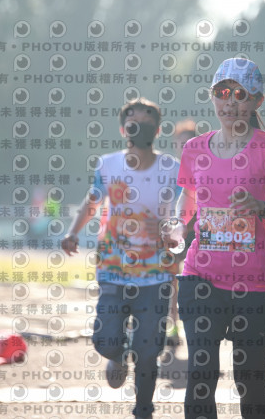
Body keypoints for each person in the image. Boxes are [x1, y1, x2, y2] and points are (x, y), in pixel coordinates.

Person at [163, 58, 265, 419]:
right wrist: (177, 229)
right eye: (222, 92)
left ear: (257, 101)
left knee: (249, 379)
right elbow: (188, 200)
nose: (230, 102)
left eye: (240, 95)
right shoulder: (195, 149)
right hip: (201, 278)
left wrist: (262, 207)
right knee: (201, 374)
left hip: (255, 285)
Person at [61, 98, 180, 419]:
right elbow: (92, 201)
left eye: (147, 122)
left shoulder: (171, 169)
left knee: (148, 350)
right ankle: (116, 354)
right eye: (133, 122)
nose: (140, 127)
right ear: (123, 129)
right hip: (113, 268)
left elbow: (183, 213)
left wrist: (172, 231)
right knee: (106, 340)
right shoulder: (108, 165)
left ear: (157, 130)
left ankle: (144, 409)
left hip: (155, 272)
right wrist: (73, 232)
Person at [165, 120, 197, 349]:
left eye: (189, 143)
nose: (184, 147)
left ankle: (197, 327)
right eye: (181, 143)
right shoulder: (169, 169)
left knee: (194, 282)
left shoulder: (204, 167)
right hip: (173, 230)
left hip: (197, 231)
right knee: (171, 281)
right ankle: (173, 326)